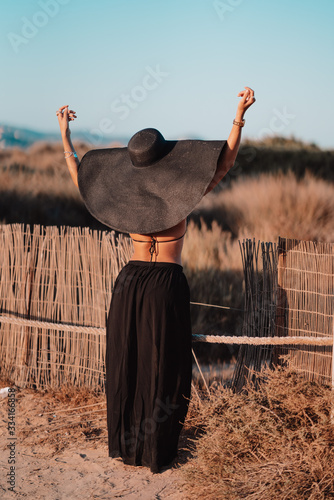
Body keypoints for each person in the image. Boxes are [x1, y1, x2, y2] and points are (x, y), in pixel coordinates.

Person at [56, 87, 256, 473]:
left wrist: (65, 136)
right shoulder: (179, 198)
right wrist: (238, 115)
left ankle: (127, 445)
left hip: (129, 283)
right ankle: (155, 450)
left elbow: (80, 177)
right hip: (165, 284)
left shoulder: (122, 197)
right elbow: (225, 163)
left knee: (127, 358)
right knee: (162, 362)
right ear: (165, 161)